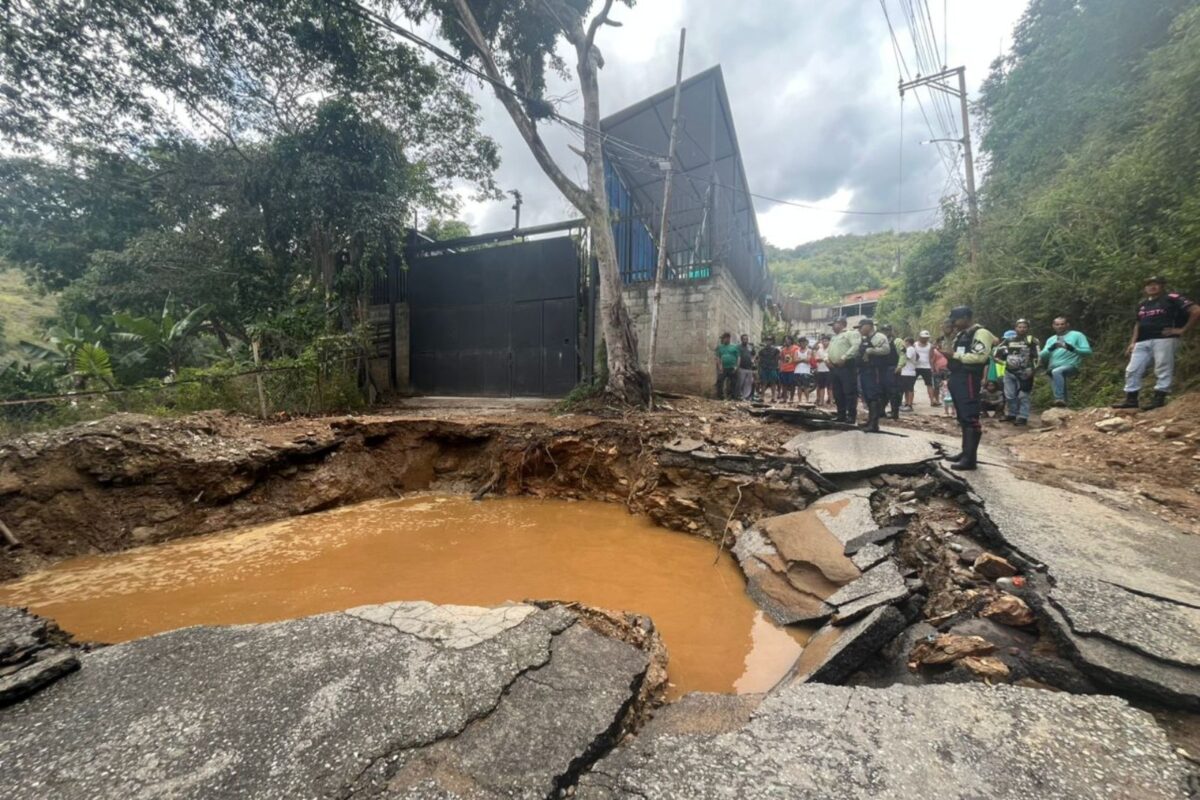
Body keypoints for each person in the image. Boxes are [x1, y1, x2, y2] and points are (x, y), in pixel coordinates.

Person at [1112, 276, 1199, 410]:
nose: (1152, 287)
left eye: (1155, 284)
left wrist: (1182, 330)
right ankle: (1131, 399)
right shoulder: (1142, 304)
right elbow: (1138, 324)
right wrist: (1132, 342)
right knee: (1132, 369)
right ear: (1144, 288)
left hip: (1164, 339)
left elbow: (1196, 310)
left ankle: (1159, 399)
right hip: (1142, 341)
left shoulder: (1172, 298)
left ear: (1162, 285)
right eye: (1148, 284)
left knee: (1162, 368)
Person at [940, 306, 997, 471]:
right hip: (957, 376)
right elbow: (948, 351)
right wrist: (947, 336)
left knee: (970, 416)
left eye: (955, 320)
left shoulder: (981, 333)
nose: (953, 323)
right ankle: (965, 452)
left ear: (966, 318)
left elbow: (980, 357)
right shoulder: (960, 334)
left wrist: (955, 356)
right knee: (962, 417)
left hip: (969, 377)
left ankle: (970, 459)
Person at [993, 319, 1040, 425]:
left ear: (1028, 328)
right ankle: (1012, 414)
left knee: (1023, 395)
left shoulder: (1032, 340)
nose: (1022, 329)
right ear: (1015, 328)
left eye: (1024, 327)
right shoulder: (1008, 340)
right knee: (1009, 395)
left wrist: (1033, 370)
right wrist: (1004, 363)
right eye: (1020, 327)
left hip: (1025, 373)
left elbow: (1038, 356)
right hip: (1009, 371)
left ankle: (1023, 416)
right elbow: (996, 353)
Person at [1040, 317, 1091, 407]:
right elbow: (1042, 355)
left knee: (1057, 372)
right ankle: (1063, 406)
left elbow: (1088, 352)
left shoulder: (1077, 335)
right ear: (1053, 326)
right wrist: (1052, 348)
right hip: (1053, 367)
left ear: (1067, 325)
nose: (1060, 326)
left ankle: (1059, 398)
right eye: (1057, 324)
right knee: (1061, 390)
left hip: (1071, 365)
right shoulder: (1051, 339)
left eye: (1062, 324)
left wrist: (1072, 348)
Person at [854, 318, 892, 433]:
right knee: (867, 396)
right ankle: (870, 421)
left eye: (861, 327)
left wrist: (871, 350)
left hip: (874, 370)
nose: (859, 329)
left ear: (868, 326)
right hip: (864, 370)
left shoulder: (879, 337)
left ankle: (874, 424)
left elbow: (886, 350)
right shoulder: (865, 338)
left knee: (873, 396)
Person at [826, 318, 861, 424]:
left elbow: (856, 346)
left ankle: (851, 416)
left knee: (849, 392)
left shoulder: (850, 333)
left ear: (842, 324)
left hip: (847, 366)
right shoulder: (833, 338)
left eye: (834, 324)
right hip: (835, 367)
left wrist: (845, 357)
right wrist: (827, 359)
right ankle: (841, 414)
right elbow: (828, 350)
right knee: (837, 392)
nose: (832, 327)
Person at [880, 323, 905, 419]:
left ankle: (894, 412)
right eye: (883, 330)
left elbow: (902, 354)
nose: (885, 332)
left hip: (893, 368)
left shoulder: (897, 341)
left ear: (891, 331)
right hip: (882, 369)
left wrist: (900, 366)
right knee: (882, 391)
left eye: (887, 330)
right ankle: (881, 411)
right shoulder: (880, 341)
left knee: (894, 391)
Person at [913, 330, 936, 407]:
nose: (925, 339)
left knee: (929, 384)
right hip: (916, 366)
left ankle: (932, 401)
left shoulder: (930, 346)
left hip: (926, 367)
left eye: (926, 338)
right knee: (911, 384)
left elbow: (931, 357)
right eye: (923, 337)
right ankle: (909, 401)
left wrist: (932, 367)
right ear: (920, 337)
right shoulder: (915, 345)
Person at [714, 332, 739, 400]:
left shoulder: (734, 347)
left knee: (733, 382)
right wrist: (720, 366)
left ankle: (733, 396)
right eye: (723, 338)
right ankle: (720, 396)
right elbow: (718, 357)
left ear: (729, 338)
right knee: (720, 381)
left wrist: (736, 366)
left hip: (732, 367)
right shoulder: (720, 347)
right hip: (723, 368)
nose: (724, 340)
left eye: (725, 338)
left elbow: (738, 357)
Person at [757, 335, 781, 403]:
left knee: (773, 383)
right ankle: (762, 397)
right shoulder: (761, 351)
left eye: (770, 340)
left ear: (772, 341)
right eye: (767, 340)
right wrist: (759, 369)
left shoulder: (776, 350)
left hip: (772, 368)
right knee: (763, 383)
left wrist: (777, 367)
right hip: (764, 368)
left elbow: (778, 359)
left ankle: (773, 397)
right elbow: (759, 360)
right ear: (765, 341)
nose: (768, 342)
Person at [794, 337, 818, 404]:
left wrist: (800, 359)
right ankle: (799, 400)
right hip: (797, 371)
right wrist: (803, 359)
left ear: (806, 343)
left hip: (806, 371)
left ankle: (807, 400)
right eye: (801, 342)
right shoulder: (796, 351)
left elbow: (808, 360)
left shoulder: (809, 351)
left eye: (804, 342)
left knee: (806, 387)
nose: (803, 343)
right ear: (799, 343)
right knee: (799, 387)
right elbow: (795, 360)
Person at [778, 335, 799, 403]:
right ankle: (785, 398)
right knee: (784, 384)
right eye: (785, 340)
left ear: (791, 340)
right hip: (784, 369)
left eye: (788, 340)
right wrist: (781, 367)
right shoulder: (783, 350)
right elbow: (781, 359)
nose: (786, 341)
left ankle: (791, 398)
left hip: (793, 369)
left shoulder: (796, 348)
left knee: (792, 384)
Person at [899, 337, 918, 411]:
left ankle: (910, 404)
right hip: (905, 372)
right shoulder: (909, 349)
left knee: (910, 389)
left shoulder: (910, 349)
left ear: (908, 342)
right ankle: (906, 403)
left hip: (909, 372)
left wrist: (903, 351)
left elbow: (908, 357)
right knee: (905, 389)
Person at [736, 334, 756, 401]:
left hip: (749, 368)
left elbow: (754, 354)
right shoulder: (738, 347)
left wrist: (753, 360)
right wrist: (737, 366)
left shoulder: (750, 347)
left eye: (746, 339)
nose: (745, 340)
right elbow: (738, 357)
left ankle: (746, 396)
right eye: (744, 339)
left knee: (748, 383)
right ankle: (739, 396)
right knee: (740, 383)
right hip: (742, 367)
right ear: (741, 340)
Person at [814, 335, 833, 406]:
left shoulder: (831, 349)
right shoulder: (819, 350)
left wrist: (824, 359)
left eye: (826, 341)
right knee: (821, 386)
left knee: (830, 387)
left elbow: (832, 358)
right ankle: (821, 401)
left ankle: (831, 401)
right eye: (823, 341)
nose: (824, 342)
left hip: (829, 370)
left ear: (829, 341)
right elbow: (816, 359)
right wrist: (824, 359)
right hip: (821, 370)